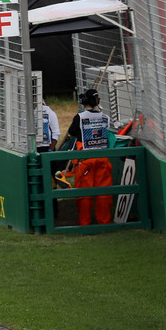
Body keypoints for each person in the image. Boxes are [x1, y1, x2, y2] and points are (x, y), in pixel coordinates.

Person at [58, 88, 114, 226]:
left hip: (85, 160)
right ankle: (104, 222)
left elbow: (72, 133)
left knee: (84, 194)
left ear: (84, 102)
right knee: (104, 193)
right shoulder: (105, 117)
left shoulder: (80, 117)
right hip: (103, 159)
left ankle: (85, 223)